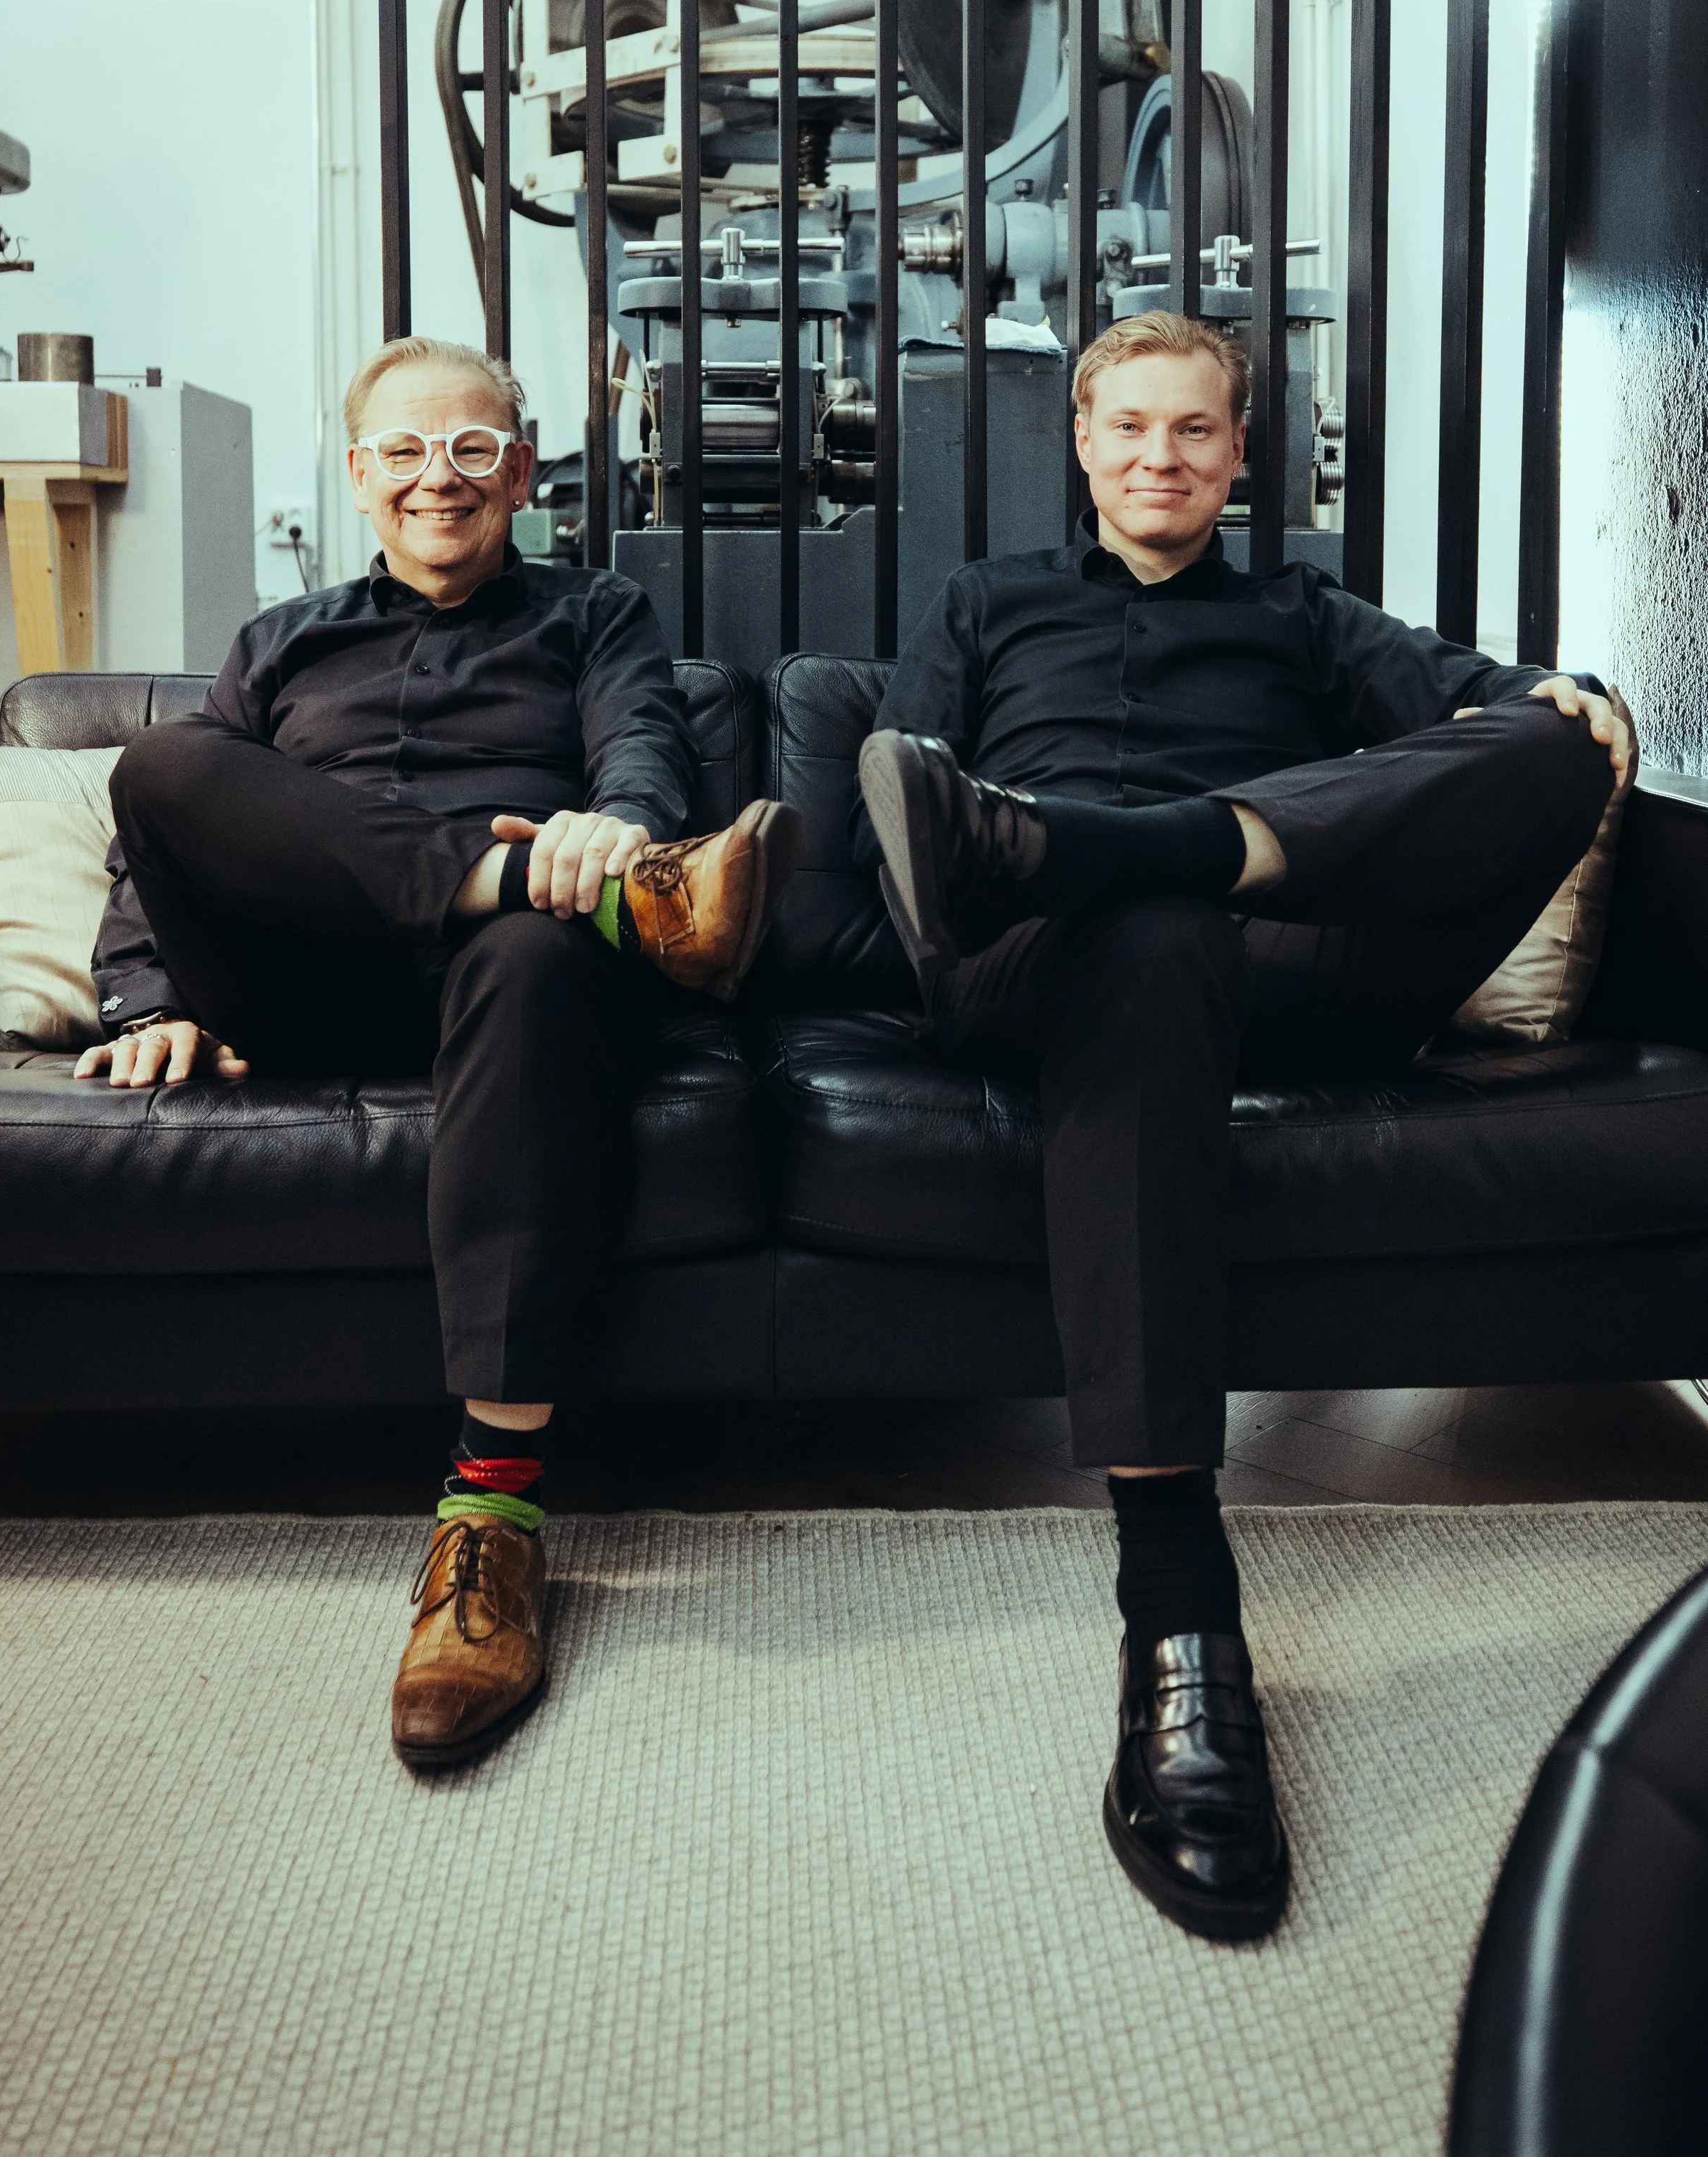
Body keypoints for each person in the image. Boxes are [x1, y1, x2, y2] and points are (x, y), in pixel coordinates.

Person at [854, 309, 1628, 1945]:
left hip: (1278, 959)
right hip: (1041, 972)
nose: (1158, 457)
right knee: (1139, 934)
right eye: (1128, 427)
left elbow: (1480, 710)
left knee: (1545, 758)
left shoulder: (1304, 611)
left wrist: (1564, 701)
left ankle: (1139, 848)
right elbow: (894, 812)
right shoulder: (983, 602)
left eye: (1192, 432)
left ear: (1236, 450)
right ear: (1079, 439)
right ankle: (1176, 1598)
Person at [78, 334, 797, 1773]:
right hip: (304, 982)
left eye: (471, 448)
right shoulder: (279, 640)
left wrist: (624, 832)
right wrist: (148, 997)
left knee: (535, 940)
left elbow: (643, 747)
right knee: (160, 762)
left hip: (508, 984)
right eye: (404, 450)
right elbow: (163, 841)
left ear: (519, 470)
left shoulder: (594, 614)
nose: (438, 477)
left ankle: (493, 1514)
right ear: (358, 475)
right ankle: (514, 880)